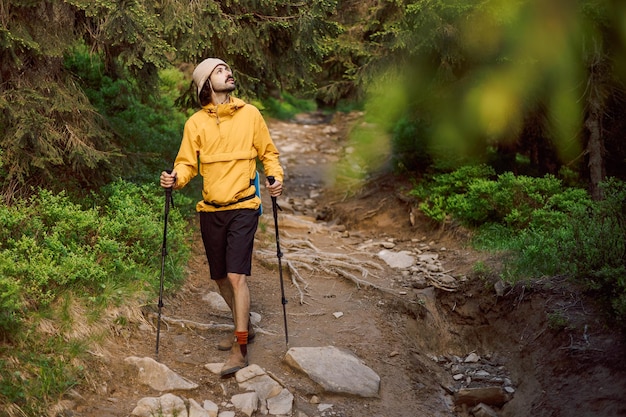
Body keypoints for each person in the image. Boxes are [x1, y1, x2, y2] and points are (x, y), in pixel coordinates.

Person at [160, 58, 284, 377]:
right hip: (211, 210)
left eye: (228, 69)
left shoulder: (250, 114)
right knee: (219, 278)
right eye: (219, 70)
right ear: (206, 85)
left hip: (244, 204)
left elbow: (268, 152)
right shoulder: (195, 124)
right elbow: (187, 163)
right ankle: (244, 327)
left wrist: (274, 175)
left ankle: (239, 347)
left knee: (235, 276)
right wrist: (176, 177)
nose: (228, 73)